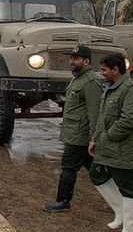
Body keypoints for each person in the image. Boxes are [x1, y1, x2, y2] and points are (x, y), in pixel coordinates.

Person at [43, 46, 103, 212]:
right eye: (71, 58)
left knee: (68, 167)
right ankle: (120, 197)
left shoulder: (90, 82)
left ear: (86, 61)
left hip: (80, 135)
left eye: (76, 59)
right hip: (75, 133)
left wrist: (94, 138)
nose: (71, 61)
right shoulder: (78, 79)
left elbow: (94, 113)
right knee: (95, 168)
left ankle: (62, 201)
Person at [89, 53, 133, 232]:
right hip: (108, 147)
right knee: (96, 174)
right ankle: (120, 213)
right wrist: (95, 139)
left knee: (128, 188)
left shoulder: (129, 89)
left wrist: (107, 136)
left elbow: (129, 120)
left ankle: (131, 228)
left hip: (123, 150)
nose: (101, 73)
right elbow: (103, 117)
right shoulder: (111, 87)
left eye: (104, 70)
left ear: (115, 70)